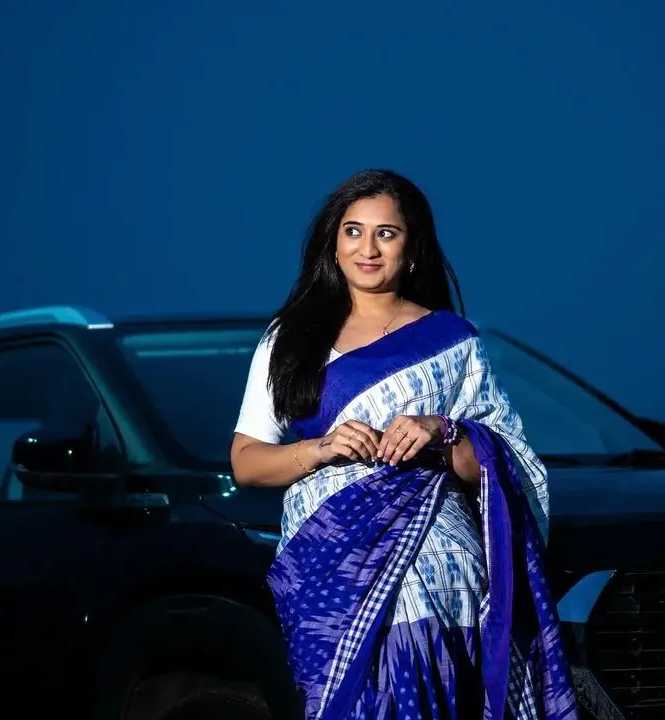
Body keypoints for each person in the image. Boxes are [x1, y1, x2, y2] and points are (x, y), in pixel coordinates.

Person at [230, 169, 578, 719]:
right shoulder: (288, 339)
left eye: (386, 234)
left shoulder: (453, 342)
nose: (367, 248)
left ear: (412, 249)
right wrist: (322, 448)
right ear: (333, 242)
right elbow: (247, 463)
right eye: (353, 231)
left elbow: (507, 463)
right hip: (328, 563)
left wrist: (445, 432)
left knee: (427, 683)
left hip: (440, 566)